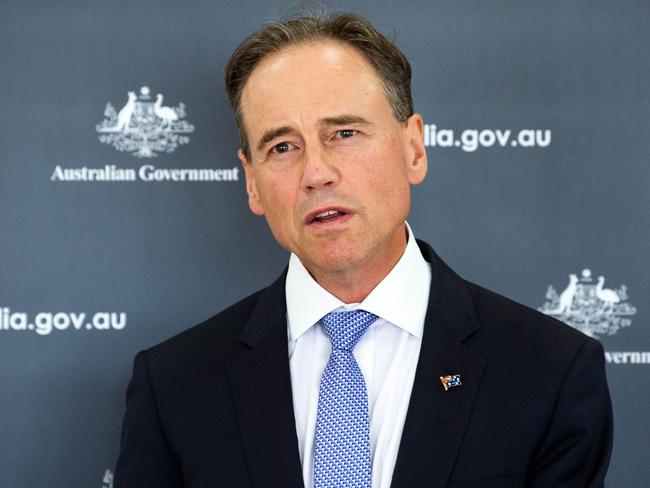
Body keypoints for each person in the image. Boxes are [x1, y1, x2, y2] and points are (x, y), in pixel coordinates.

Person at [114, 12, 613, 488]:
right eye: (282, 147)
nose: (317, 173)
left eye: (345, 133)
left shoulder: (550, 372)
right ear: (252, 183)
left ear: (414, 148)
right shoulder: (174, 385)